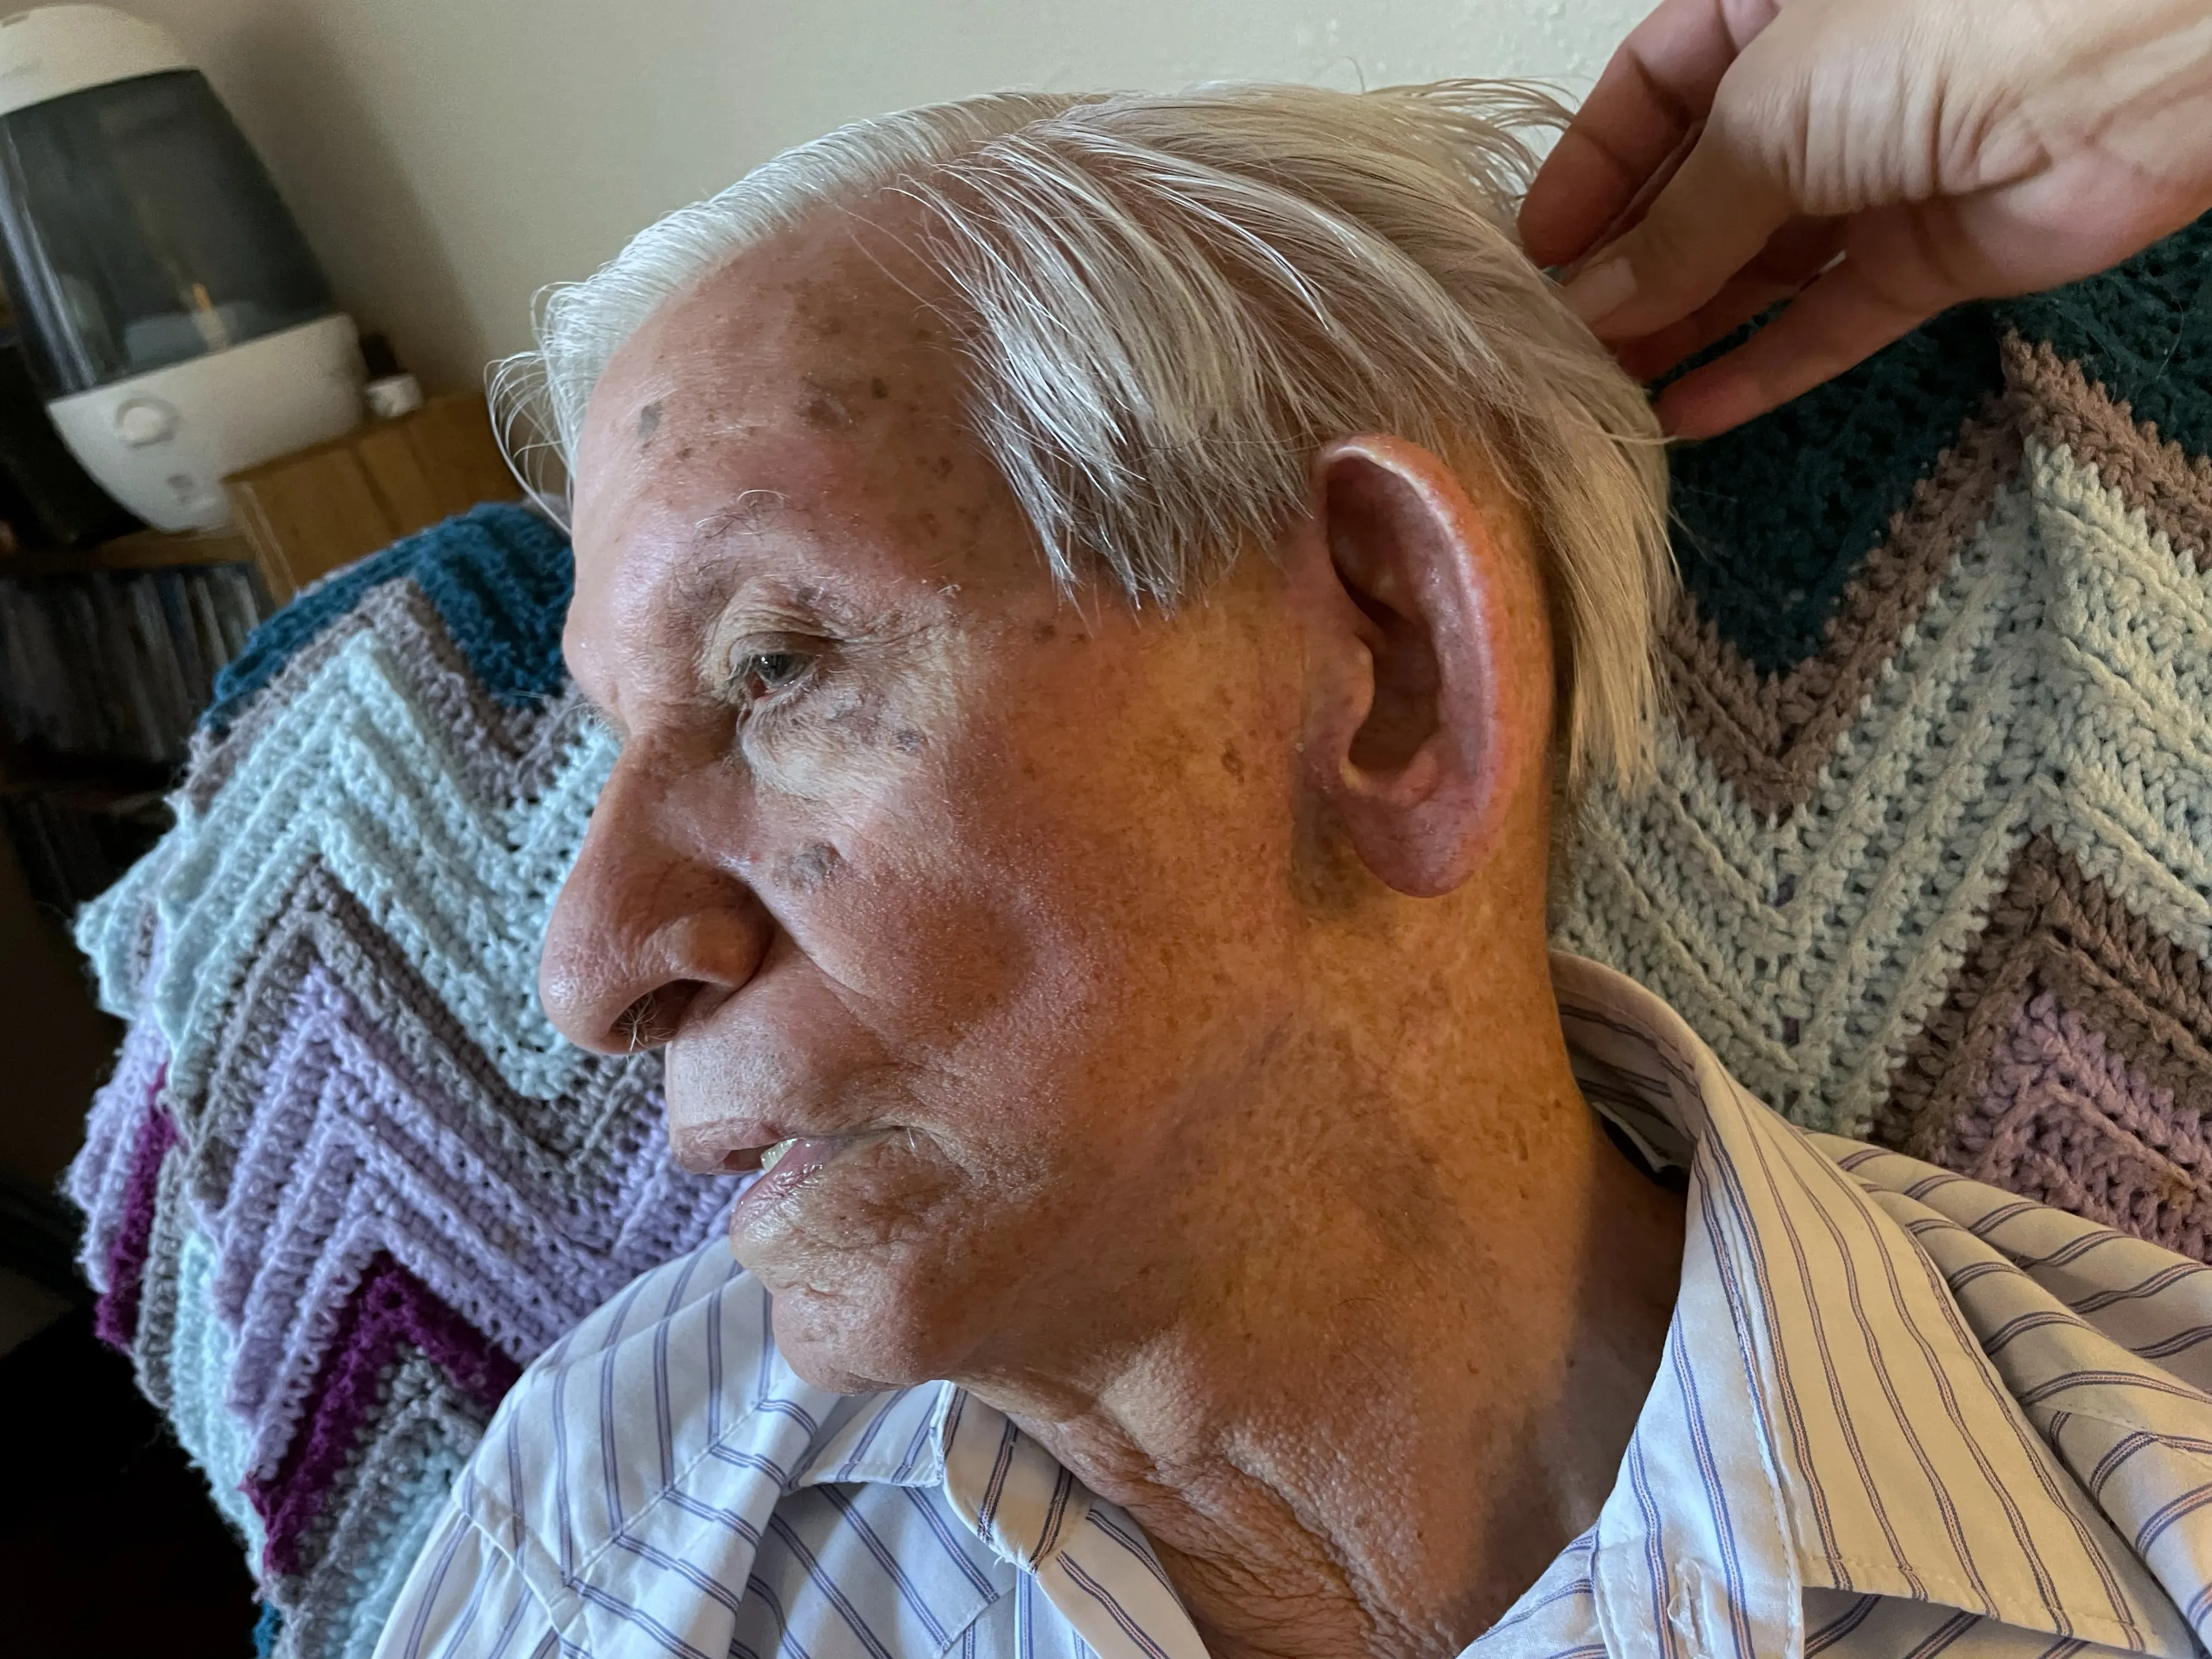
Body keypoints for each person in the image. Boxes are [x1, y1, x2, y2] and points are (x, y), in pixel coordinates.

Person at [375, 6, 2212, 1659]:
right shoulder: (602, 1499)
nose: (587, 967)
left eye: (772, 669)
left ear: (1394, 662)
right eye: (618, 741)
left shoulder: (2160, 1530)